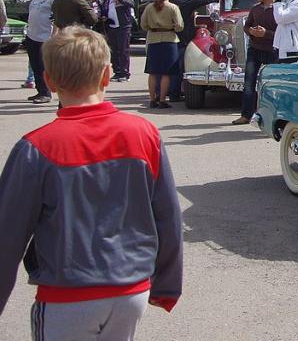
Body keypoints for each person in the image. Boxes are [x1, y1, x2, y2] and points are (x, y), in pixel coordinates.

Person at [0, 26, 183, 334]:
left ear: (49, 81)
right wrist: (167, 283)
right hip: (130, 291)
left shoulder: (36, 147)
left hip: (67, 294)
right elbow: (167, 213)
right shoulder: (144, 133)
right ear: (107, 75)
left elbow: (7, 234)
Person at [167, 0, 234, 101]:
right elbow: (204, 0)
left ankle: (164, 92)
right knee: (178, 65)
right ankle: (174, 93)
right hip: (180, 36)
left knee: (166, 66)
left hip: (165, 36)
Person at [232, 0, 278, 125]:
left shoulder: (279, 10)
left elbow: (281, 33)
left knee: (271, 85)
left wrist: (266, 34)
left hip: (272, 51)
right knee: (248, 83)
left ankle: (273, 116)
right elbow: (247, 26)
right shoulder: (255, 9)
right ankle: (246, 115)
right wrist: (251, 31)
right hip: (254, 49)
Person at [141, 0, 185, 108]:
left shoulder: (149, 7)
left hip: (153, 40)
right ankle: (162, 100)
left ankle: (152, 99)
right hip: (169, 40)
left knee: (153, 72)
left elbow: (143, 25)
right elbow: (180, 26)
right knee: (166, 72)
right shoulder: (173, 7)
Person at [24, 0, 58, 104]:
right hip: (32, 35)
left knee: (42, 66)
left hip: (45, 36)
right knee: (35, 65)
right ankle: (40, 90)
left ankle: (46, 93)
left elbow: (57, 16)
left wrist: (54, 35)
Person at [98, 0, 136, 82]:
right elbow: (104, 11)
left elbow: (132, 4)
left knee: (123, 50)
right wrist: (104, 17)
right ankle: (117, 71)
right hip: (112, 27)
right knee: (114, 50)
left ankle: (125, 73)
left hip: (124, 26)